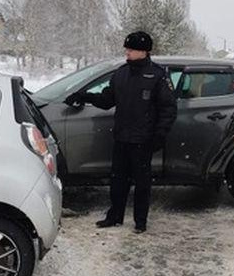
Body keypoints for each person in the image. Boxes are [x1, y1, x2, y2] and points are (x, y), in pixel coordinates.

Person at [65, 31, 177, 234]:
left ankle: (140, 221)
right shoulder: (121, 74)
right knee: (118, 180)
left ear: (143, 51)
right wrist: (85, 96)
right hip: (122, 137)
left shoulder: (157, 76)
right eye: (127, 48)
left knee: (142, 183)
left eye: (131, 49)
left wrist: (159, 136)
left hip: (143, 140)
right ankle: (115, 216)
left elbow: (168, 109)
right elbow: (108, 100)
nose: (127, 52)